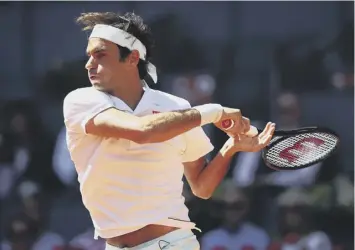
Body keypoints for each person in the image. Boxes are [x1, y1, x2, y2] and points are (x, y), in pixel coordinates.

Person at [63, 11, 275, 250]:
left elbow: (202, 187)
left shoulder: (176, 108)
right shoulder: (80, 100)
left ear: (132, 58)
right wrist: (212, 112)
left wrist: (232, 146)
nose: (89, 64)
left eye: (100, 55)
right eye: (89, 55)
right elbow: (143, 131)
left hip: (173, 244)